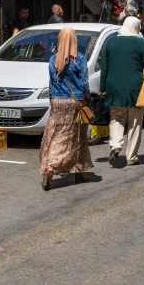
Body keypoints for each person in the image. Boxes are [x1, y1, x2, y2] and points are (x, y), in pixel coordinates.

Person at [41, 26, 93, 189]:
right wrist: (88, 100)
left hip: (57, 102)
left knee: (55, 135)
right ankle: (53, 167)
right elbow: (84, 83)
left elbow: (51, 83)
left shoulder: (53, 60)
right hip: (75, 102)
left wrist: (52, 100)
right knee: (77, 137)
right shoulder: (80, 59)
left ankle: (77, 170)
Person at [100, 16, 144, 167]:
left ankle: (116, 145)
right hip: (135, 88)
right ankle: (132, 157)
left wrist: (102, 88)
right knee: (135, 122)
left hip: (114, 87)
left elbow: (104, 67)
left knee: (116, 118)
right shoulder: (140, 42)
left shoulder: (110, 42)